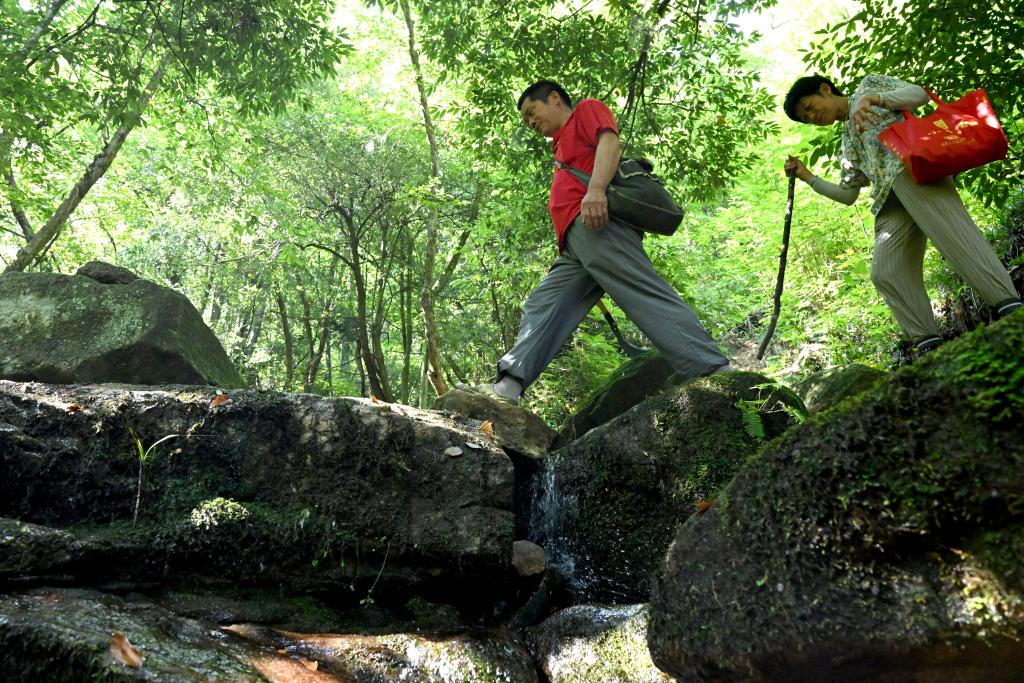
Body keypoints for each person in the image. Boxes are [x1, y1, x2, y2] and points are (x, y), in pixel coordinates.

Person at [464, 80, 731, 406]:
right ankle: (510, 385)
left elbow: (609, 143)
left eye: (532, 112)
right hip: (578, 245)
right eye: (526, 121)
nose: (531, 123)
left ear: (554, 98)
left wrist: (595, 191)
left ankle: (713, 370)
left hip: (597, 226)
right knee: (543, 304)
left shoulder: (586, 110)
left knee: (642, 292)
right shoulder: (560, 144)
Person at [783, 74, 1022, 355]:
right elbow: (848, 195)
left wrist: (873, 99)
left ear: (825, 89)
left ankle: (1010, 310)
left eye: (809, 108)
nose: (813, 118)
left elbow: (919, 94)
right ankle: (929, 346)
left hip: (916, 173)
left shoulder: (868, 87)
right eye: (807, 119)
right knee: (887, 271)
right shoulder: (847, 141)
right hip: (890, 201)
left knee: (956, 240)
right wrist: (807, 176)